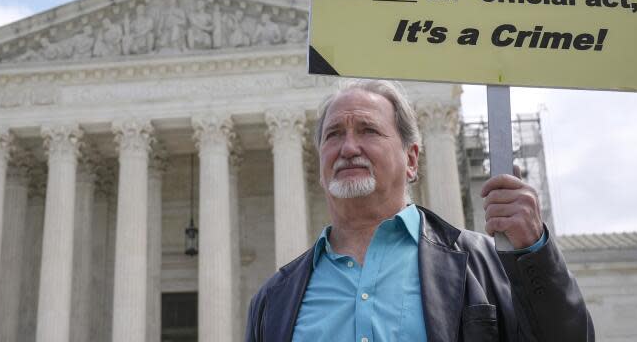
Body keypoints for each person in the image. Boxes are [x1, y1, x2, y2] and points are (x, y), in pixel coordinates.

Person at [245, 79, 593, 342]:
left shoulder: (486, 264)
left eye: (368, 130)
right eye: (333, 135)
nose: (348, 147)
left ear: (411, 160)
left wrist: (534, 252)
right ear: (320, 162)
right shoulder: (274, 298)